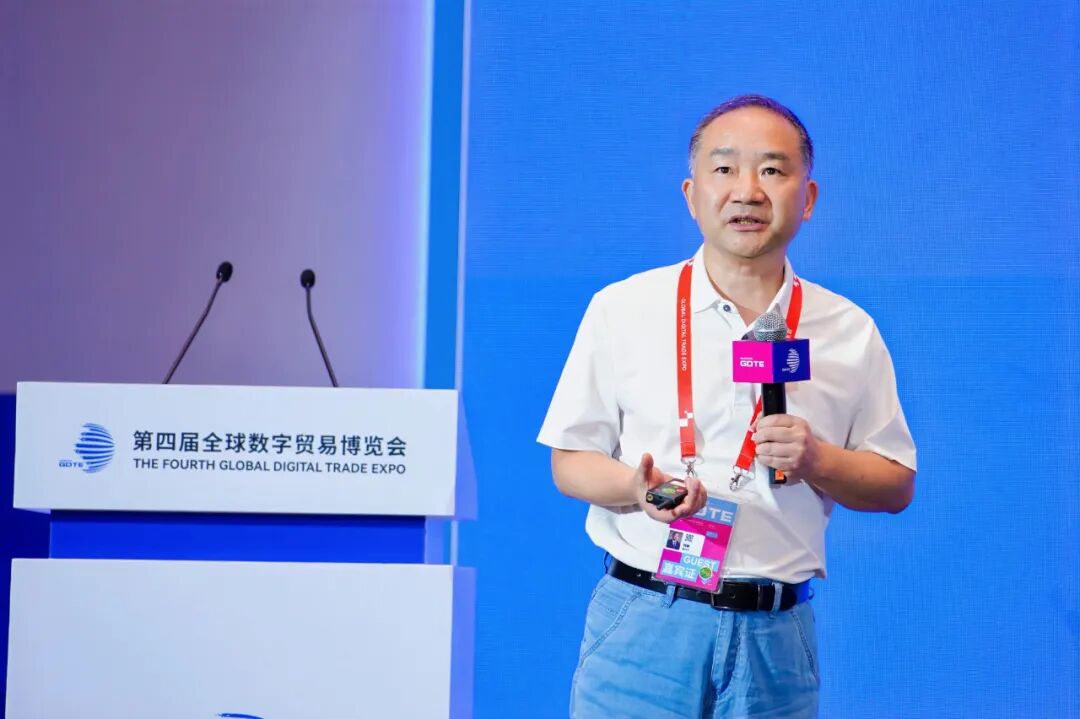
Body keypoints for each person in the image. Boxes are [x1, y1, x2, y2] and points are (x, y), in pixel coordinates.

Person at [537, 94, 917, 719]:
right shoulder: (623, 309)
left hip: (775, 637)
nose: (748, 190)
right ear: (692, 195)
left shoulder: (848, 330)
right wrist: (636, 488)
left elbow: (895, 484)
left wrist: (818, 460)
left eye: (771, 169)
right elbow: (570, 460)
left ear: (808, 197)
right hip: (644, 622)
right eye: (725, 168)